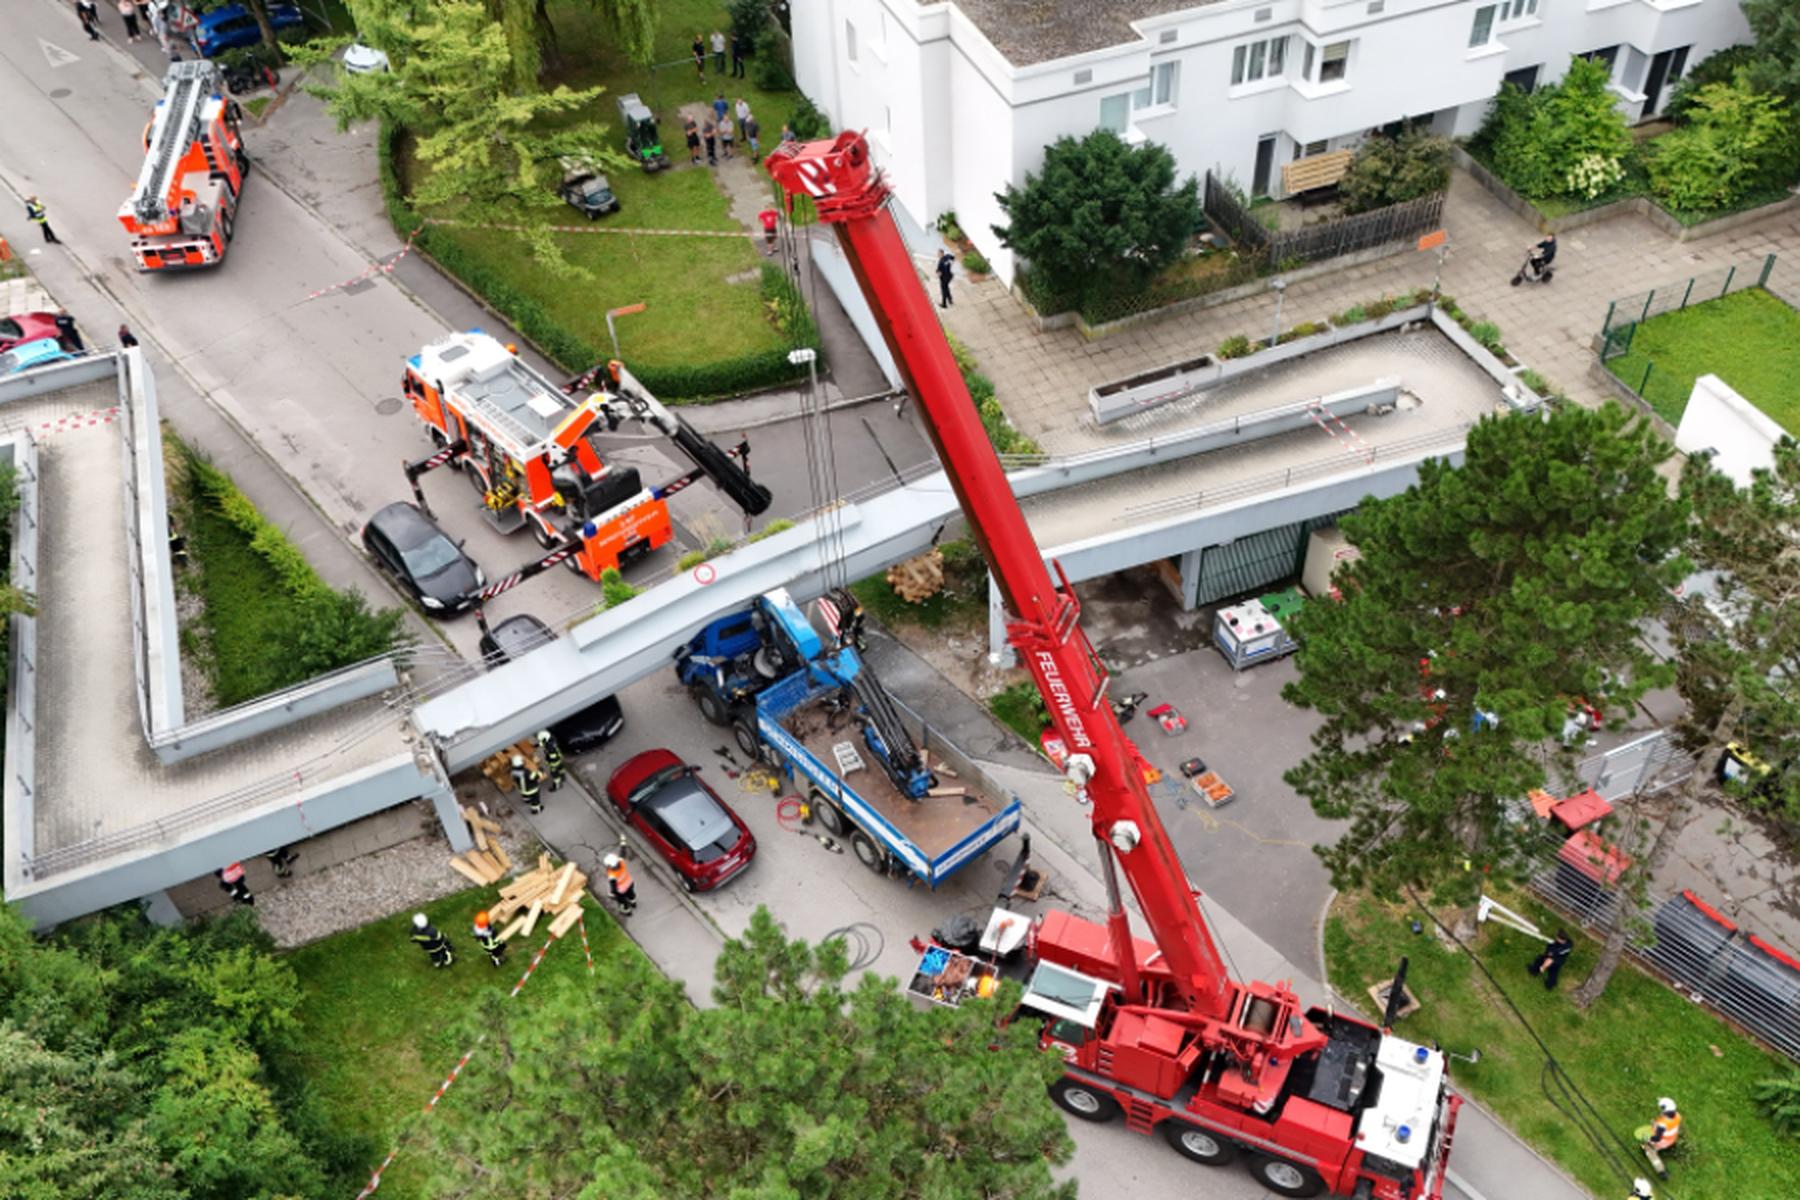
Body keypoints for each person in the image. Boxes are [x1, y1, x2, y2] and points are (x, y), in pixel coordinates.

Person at [1634, 1097, 1681, 1178]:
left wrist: (1648, 1139)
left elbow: (1657, 1138)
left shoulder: (1662, 1124)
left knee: (1649, 1150)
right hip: (1672, 1138)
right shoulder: (1677, 1116)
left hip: (1663, 1141)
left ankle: (1661, 1171)